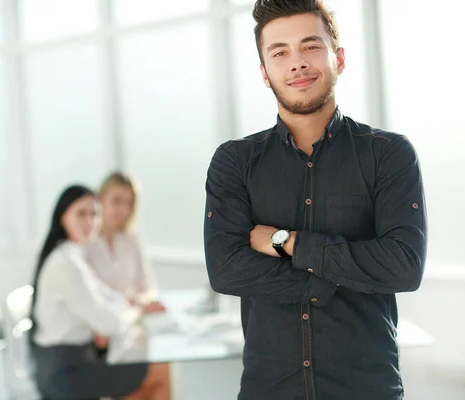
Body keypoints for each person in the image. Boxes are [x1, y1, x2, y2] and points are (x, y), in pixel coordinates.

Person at [203, 1, 427, 399]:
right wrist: (337, 276)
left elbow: (403, 266)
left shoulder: (388, 154)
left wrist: (286, 243)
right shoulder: (235, 161)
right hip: (268, 389)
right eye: (280, 52)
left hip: (366, 389)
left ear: (338, 58)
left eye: (310, 47)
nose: (297, 64)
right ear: (264, 73)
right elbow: (226, 271)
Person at [29, 185, 170, 400]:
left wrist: (126, 306)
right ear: (62, 216)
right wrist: (136, 310)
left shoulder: (73, 255)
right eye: (81, 213)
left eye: (94, 214)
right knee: (153, 371)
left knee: (145, 363)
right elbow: (107, 322)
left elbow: (108, 298)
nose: (90, 222)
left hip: (76, 360)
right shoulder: (66, 263)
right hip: (65, 374)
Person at [86, 172, 167, 360]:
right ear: (100, 200)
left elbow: (149, 287)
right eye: (116, 201)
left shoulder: (130, 240)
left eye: (129, 203)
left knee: (160, 365)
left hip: (129, 327)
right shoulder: (86, 244)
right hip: (99, 335)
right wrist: (127, 302)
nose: (122, 209)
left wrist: (140, 301)